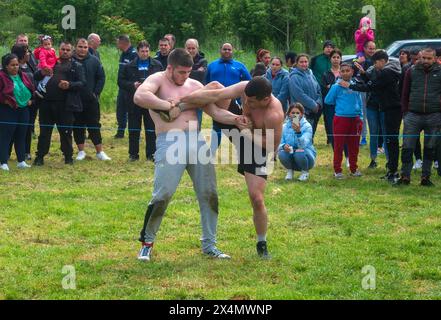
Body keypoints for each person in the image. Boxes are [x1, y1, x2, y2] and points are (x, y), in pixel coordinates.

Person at [133, 48, 249, 261]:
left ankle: (209, 244)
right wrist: (167, 105)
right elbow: (140, 96)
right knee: (162, 194)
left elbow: (215, 112)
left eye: (188, 72)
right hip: (170, 141)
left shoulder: (195, 86)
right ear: (170, 68)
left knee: (209, 193)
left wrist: (234, 119)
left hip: (196, 140)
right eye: (181, 72)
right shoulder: (157, 80)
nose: (185, 76)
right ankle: (147, 242)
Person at [179, 77, 285, 259]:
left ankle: (261, 242)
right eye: (246, 100)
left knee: (257, 198)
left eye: (252, 102)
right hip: (239, 125)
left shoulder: (273, 114)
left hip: (258, 146)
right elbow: (217, 94)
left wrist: (246, 132)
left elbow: (271, 146)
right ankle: (179, 105)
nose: (248, 104)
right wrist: (180, 99)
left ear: (265, 100)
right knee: (213, 87)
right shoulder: (245, 88)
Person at [344, 50, 402, 181]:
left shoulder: (387, 72)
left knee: (391, 140)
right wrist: (364, 75)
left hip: (392, 109)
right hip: (388, 108)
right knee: (389, 140)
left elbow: (371, 86)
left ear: (382, 61)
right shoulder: (389, 71)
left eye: (376, 63)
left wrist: (350, 85)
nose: (375, 66)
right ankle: (391, 170)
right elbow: (374, 83)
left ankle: (393, 171)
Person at [33, 42, 86, 166]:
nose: (65, 52)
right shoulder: (50, 62)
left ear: (72, 51)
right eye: (63, 49)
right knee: (44, 132)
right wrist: (42, 73)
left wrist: (70, 85)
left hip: (65, 105)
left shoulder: (76, 66)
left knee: (66, 132)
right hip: (46, 103)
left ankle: (68, 157)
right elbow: (36, 76)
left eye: (68, 49)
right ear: (58, 50)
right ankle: (40, 156)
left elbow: (82, 83)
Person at [395, 48, 441, 187]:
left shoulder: (440, 72)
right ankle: (405, 176)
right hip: (412, 115)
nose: (426, 61)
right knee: (407, 147)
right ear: (420, 58)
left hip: (434, 115)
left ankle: (425, 177)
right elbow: (404, 93)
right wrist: (405, 112)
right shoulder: (411, 71)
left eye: (429, 58)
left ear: (434, 59)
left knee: (430, 148)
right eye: (424, 58)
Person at [118, 40, 162, 161]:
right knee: (133, 129)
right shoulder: (128, 66)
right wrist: (133, 85)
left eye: (147, 51)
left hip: (150, 102)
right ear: (137, 51)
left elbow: (163, 81)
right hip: (134, 102)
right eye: (142, 51)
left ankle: (151, 154)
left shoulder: (157, 65)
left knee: (151, 129)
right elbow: (120, 81)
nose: (144, 53)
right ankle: (133, 154)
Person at [205, 43, 252, 151]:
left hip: (234, 103)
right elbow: (207, 83)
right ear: (220, 50)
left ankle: (241, 151)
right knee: (216, 127)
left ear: (232, 51)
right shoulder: (212, 65)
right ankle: (211, 152)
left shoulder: (239, 66)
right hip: (217, 101)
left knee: (235, 128)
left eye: (229, 49)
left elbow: (248, 83)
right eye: (224, 49)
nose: (227, 51)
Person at [72, 38, 110, 162]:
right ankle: (81, 151)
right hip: (75, 100)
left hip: (91, 100)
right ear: (75, 47)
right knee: (78, 125)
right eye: (80, 47)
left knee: (94, 125)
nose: (82, 49)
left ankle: (99, 152)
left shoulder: (94, 60)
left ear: (88, 48)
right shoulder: (70, 61)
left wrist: (95, 93)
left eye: (85, 47)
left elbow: (101, 77)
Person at [325, 63, 363, 179]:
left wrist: (360, 116)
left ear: (352, 72)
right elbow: (328, 100)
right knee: (339, 145)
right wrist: (341, 107)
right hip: (341, 119)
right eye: (343, 71)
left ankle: (354, 168)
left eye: (348, 70)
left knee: (354, 145)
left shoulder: (355, 85)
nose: (346, 73)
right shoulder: (336, 86)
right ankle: (337, 170)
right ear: (340, 73)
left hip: (355, 119)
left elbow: (359, 102)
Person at [0, 53, 34, 171]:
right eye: (12, 65)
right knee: (6, 136)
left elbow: (31, 89)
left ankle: (21, 161)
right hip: (8, 110)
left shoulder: (23, 75)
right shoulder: (1, 76)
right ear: (6, 66)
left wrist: (31, 100)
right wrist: (4, 100)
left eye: (17, 64)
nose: (15, 67)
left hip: (23, 109)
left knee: (21, 134)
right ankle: (3, 162)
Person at [10, 44, 37, 161]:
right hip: (14, 105)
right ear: (20, 54)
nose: (29, 54)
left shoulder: (30, 65)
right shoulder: (12, 68)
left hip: (29, 103)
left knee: (27, 127)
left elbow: (35, 78)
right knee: (11, 129)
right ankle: (6, 152)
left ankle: (26, 152)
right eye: (26, 52)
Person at [278, 103, 316, 182]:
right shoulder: (284, 127)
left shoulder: (307, 126)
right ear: (289, 114)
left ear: (302, 114)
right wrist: (283, 146)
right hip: (290, 153)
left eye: (297, 113)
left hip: (306, 155)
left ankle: (305, 172)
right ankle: (290, 171)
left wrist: (298, 132)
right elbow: (278, 143)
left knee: (299, 152)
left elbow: (303, 145)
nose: (295, 115)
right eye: (293, 113)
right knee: (281, 153)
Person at [288, 54, 322, 137]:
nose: (304, 64)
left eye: (306, 62)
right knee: (296, 136)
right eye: (301, 62)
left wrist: (318, 103)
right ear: (297, 63)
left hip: (312, 112)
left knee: (309, 137)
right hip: (297, 113)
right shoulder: (293, 77)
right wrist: (313, 105)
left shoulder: (311, 75)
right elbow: (299, 95)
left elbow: (318, 90)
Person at [115, 35, 137, 138]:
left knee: (132, 111)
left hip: (131, 88)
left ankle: (134, 132)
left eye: (117, 42)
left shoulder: (134, 54)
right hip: (122, 87)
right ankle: (120, 131)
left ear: (122, 43)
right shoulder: (123, 54)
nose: (117, 45)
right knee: (120, 109)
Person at [185, 38, 208, 126]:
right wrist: (195, 71)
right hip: (183, 94)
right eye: (188, 48)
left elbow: (200, 75)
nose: (191, 50)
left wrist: (185, 72)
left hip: (198, 95)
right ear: (185, 48)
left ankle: (194, 139)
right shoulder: (181, 60)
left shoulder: (203, 61)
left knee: (196, 123)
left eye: (193, 48)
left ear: (197, 48)